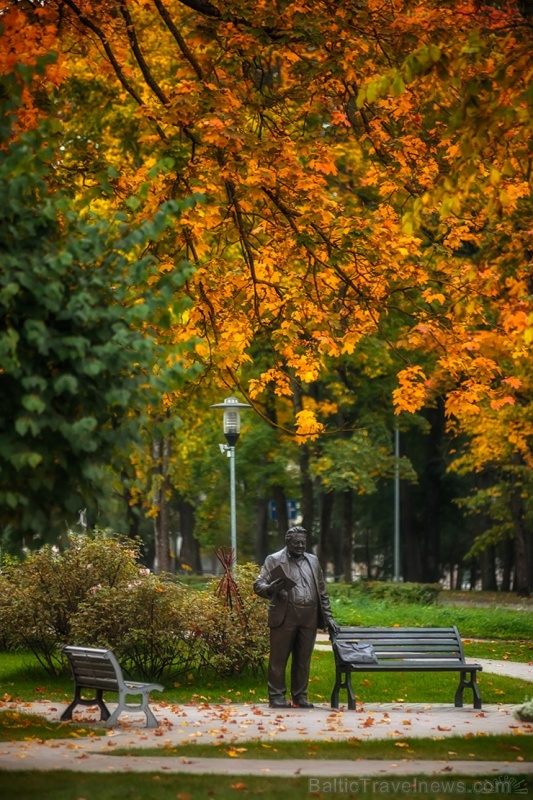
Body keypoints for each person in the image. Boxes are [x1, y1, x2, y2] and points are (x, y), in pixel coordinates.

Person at [254, 525, 340, 709]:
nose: (301, 545)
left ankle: (300, 696)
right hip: (285, 615)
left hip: (309, 616)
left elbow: (322, 592)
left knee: (303, 660)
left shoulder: (313, 561)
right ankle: (276, 697)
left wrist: (328, 617)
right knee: (279, 658)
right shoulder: (274, 560)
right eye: (296, 542)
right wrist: (270, 589)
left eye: (303, 542)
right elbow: (258, 584)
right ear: (287, 542)